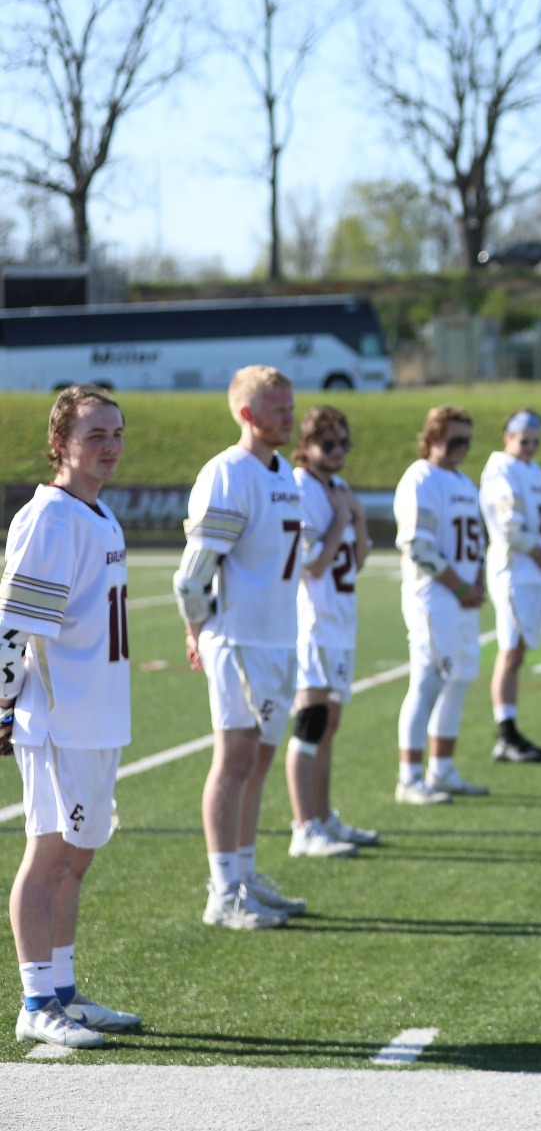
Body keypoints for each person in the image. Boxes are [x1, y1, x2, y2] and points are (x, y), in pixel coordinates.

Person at [4, 385, 142, 1046]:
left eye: (115, 433)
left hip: (99, 714)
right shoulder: (51, 517)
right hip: (59, 719)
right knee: (48, 855)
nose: (109, 446)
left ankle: (62, 988)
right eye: (95, 435)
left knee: (76, 860)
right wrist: (3, 709)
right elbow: (11, 628)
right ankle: (35, 999)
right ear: (60, 443)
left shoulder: (99, 514)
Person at [176, 366, 309, 930]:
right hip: (238, 639)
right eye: (278, 409)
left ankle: (246, 873)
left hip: (278, 636)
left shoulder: (283, 472)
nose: (290, 417)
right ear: (247, 414)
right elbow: (191, 577)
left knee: (260, 761)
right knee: (232, 761)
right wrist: (196, 628)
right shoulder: (227, 472)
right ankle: (223, 890)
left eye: (290, 406)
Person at [288, 405, 378, 858]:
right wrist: (342, 519)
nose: (338, 451)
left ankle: (323, 818)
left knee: (330, 724)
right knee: (310, 721)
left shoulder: (338, 488)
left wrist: (356, 518)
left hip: (341, 620)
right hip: (312, 621)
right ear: (304, 446)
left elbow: (358, 559)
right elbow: (313, 564)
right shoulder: (300, 487)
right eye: (328, 443)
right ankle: (303, 826)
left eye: (344, 442)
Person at [392, 406, 490, 804]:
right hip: (434, 596)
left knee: (459, 678)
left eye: (467, 439)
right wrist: (460, 585)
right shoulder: (421, 477)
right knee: (428, 680)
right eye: (454, 439)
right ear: (431, 438)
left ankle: (442, 769)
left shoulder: (465, 481)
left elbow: (477, 543)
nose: (462, 447)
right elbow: (417, 545)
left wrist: (476, 582)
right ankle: (409, 777)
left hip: (462, 596)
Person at [481, 408, 541, 763]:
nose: (529, 447)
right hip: (512, 571)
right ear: (507, 436)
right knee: (509, 651)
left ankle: (509, 730)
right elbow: (509, 526)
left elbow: (538, 519)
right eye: (523, 440)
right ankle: (505, 734)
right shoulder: (500, 469)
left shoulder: (532, 469)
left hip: (531, 572)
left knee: (518, 652)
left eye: (535, 441)